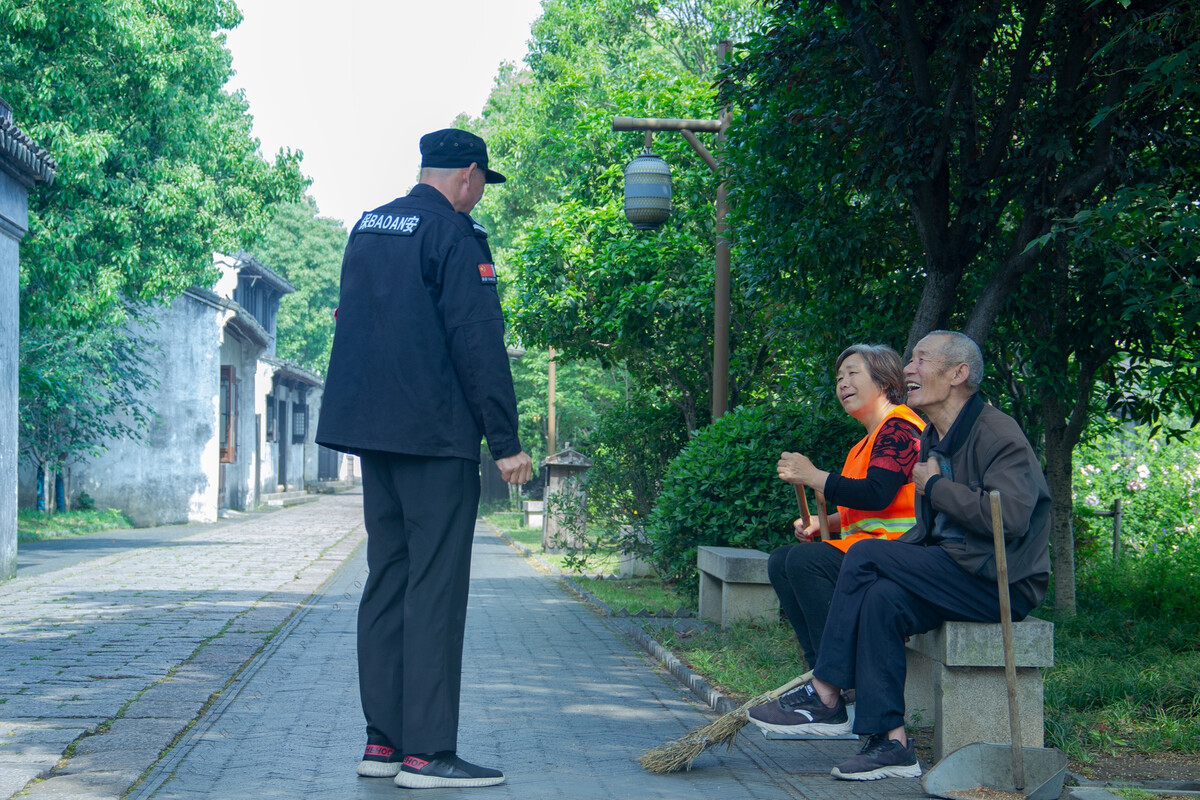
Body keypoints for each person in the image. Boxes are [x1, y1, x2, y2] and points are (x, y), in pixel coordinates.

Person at [315, 128, 533, 790]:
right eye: (479, 184)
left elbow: (352, 323)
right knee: (434, 589)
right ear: (469, 174)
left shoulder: (369, 226)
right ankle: (428, 754)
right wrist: (506, 442)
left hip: (373, 437)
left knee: (387, 580)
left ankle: (381, 744)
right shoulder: (454, 236)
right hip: (434, 438)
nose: (477, 197)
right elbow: (477, 342)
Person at [766, 330, 1051, 783]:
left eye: (920, 360)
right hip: (953, 566)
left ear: (957, 374)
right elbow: (929, 527)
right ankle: (892, 744)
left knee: (866, 556)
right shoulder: (934, 436)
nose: (909, 369)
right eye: (910, 360)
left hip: (1000, 580)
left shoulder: (997, 432)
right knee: (882, 599)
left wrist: (935, 487)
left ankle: (826, 691)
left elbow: (1010, 519)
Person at [748, 344, 923, 735]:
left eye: (852, 373)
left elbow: (877, 492)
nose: (843, 383)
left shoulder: (901, 426)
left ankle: (833, 687)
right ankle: (823, 679)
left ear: (885, 380)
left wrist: (813, 476)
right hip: (868, 554)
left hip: (900, 560)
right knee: (782, 559)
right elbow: (865, 509)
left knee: (804, 562)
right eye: (839, 377)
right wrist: (820, 522)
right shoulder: (864, 443)